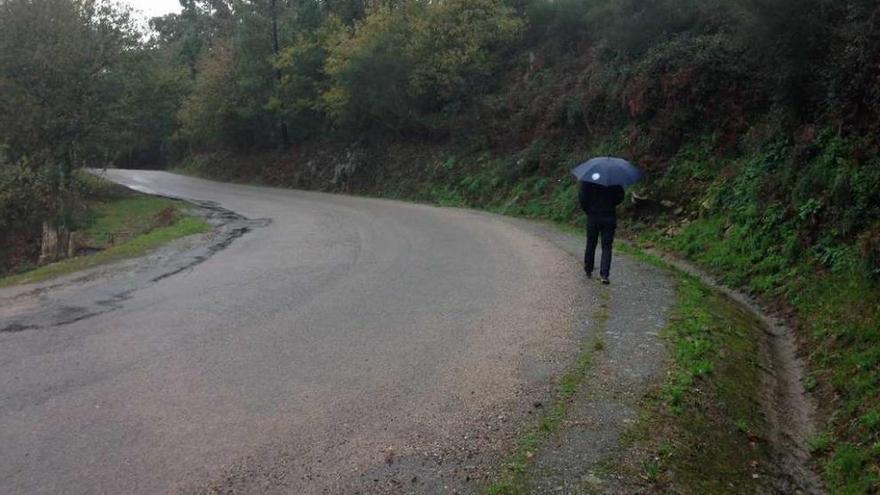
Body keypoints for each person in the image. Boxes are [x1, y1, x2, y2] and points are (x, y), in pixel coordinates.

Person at [579, 181, 625, 284]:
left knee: (591, 243)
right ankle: (604, 274)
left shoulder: (588, 180)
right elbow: (620, 197)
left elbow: (582, 198)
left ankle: (588, 269)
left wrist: (589, 210)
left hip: (593, 216)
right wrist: (611, 203)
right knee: (607, 246)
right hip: (609, 216)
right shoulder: (615, 179)